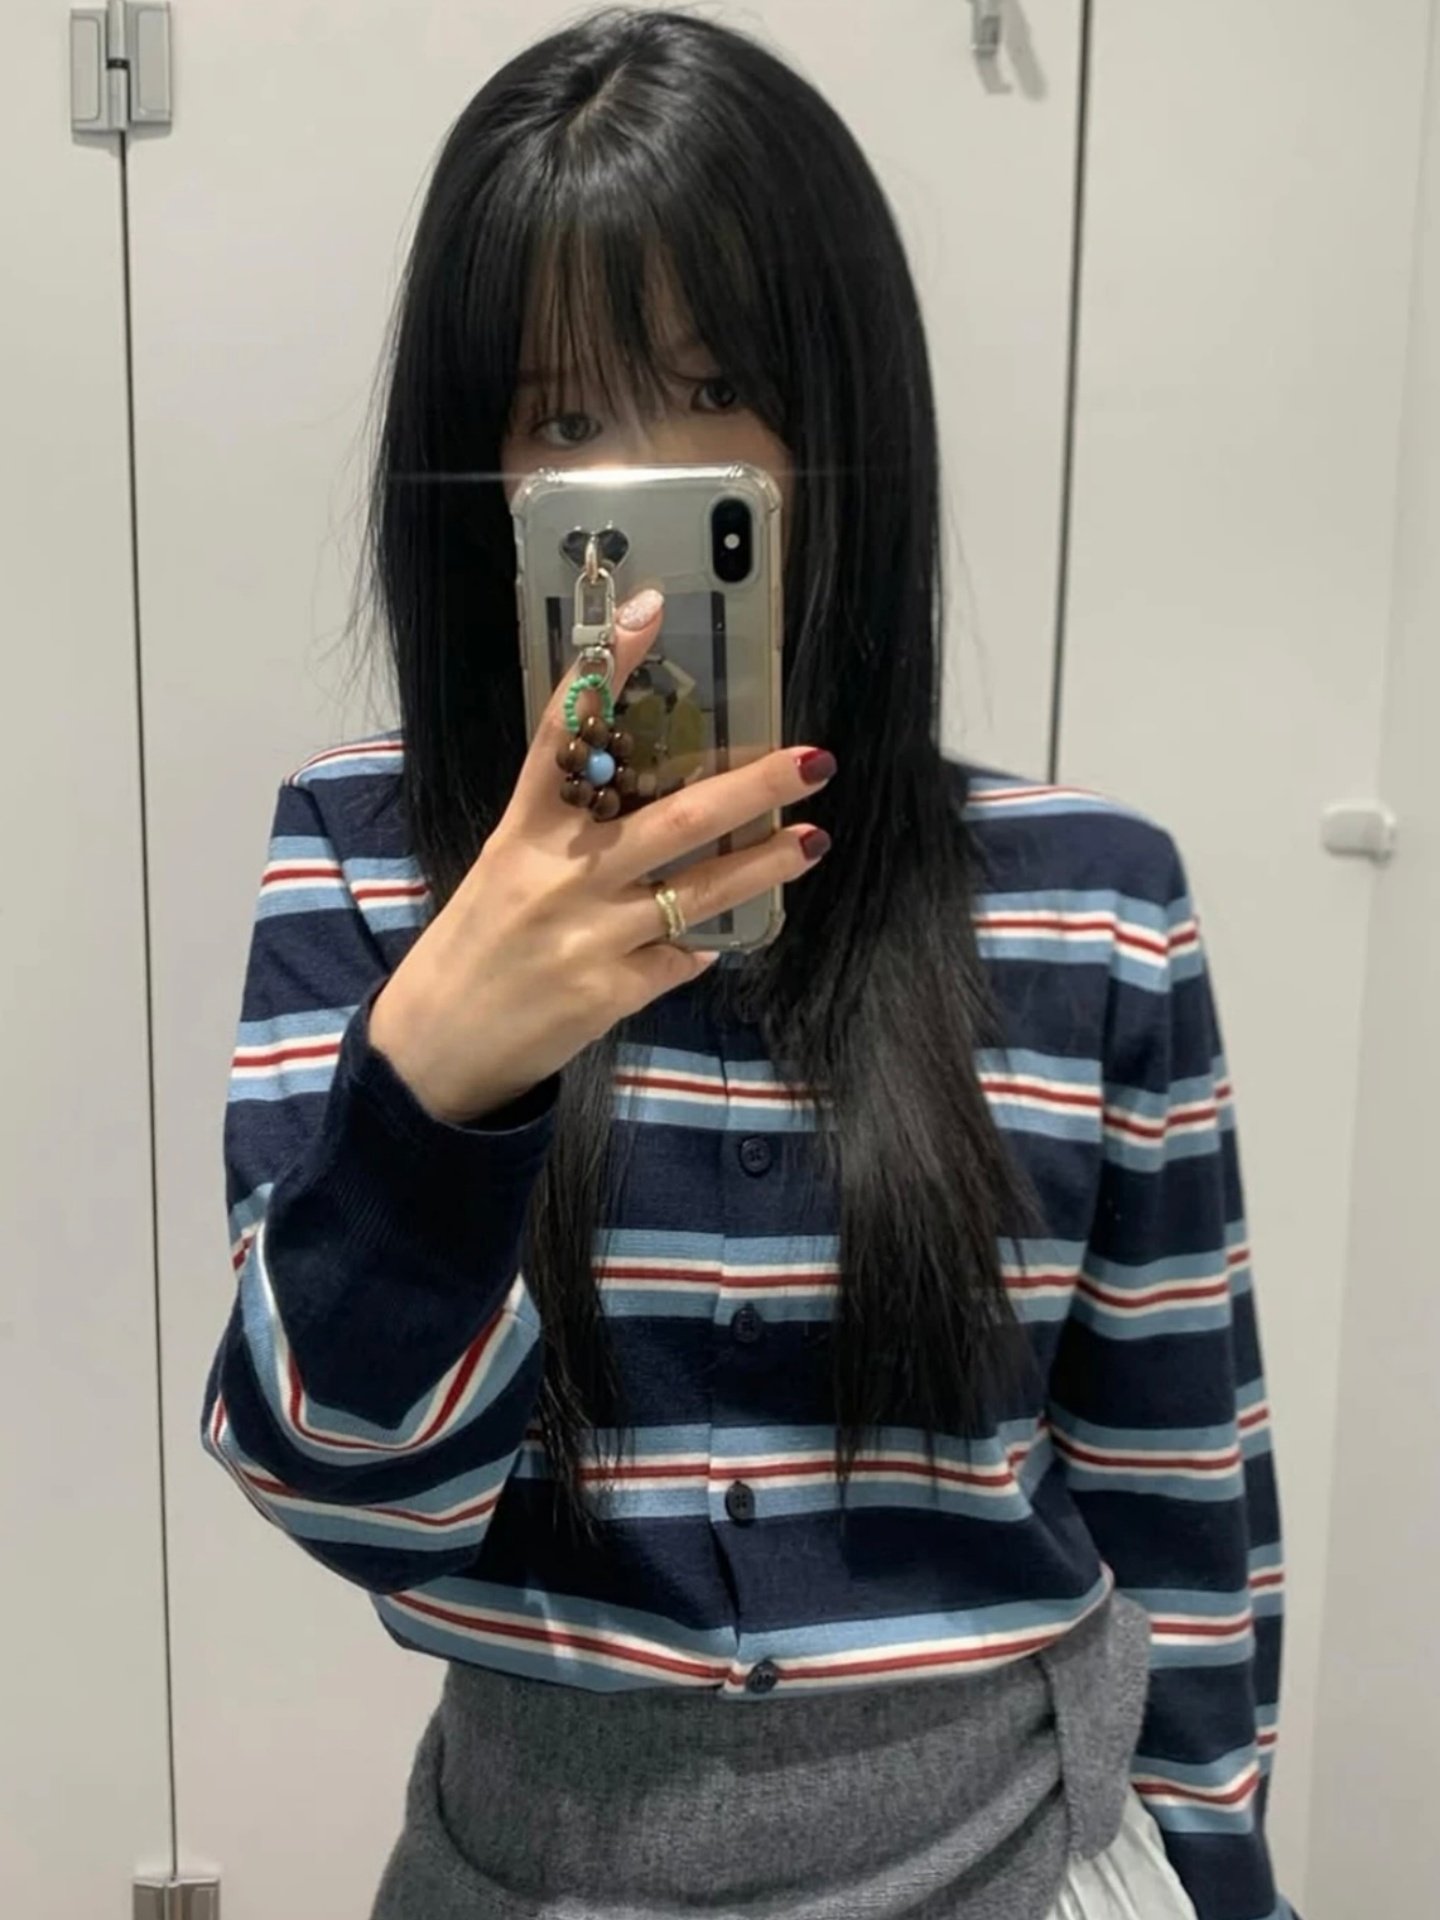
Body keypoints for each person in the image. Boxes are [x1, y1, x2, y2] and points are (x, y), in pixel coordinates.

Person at [201, 11, 1291, 1919]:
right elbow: (355, 1498)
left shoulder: (1092, 903)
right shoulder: (373, 869)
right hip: (525, 1866)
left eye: (718, 388)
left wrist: (1224, 1877)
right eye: (561, 420)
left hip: (1013, 1860)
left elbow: (1180, 1488)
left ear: (843, 418)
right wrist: (447, 1087)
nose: (640, 482)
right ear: (477, 473)